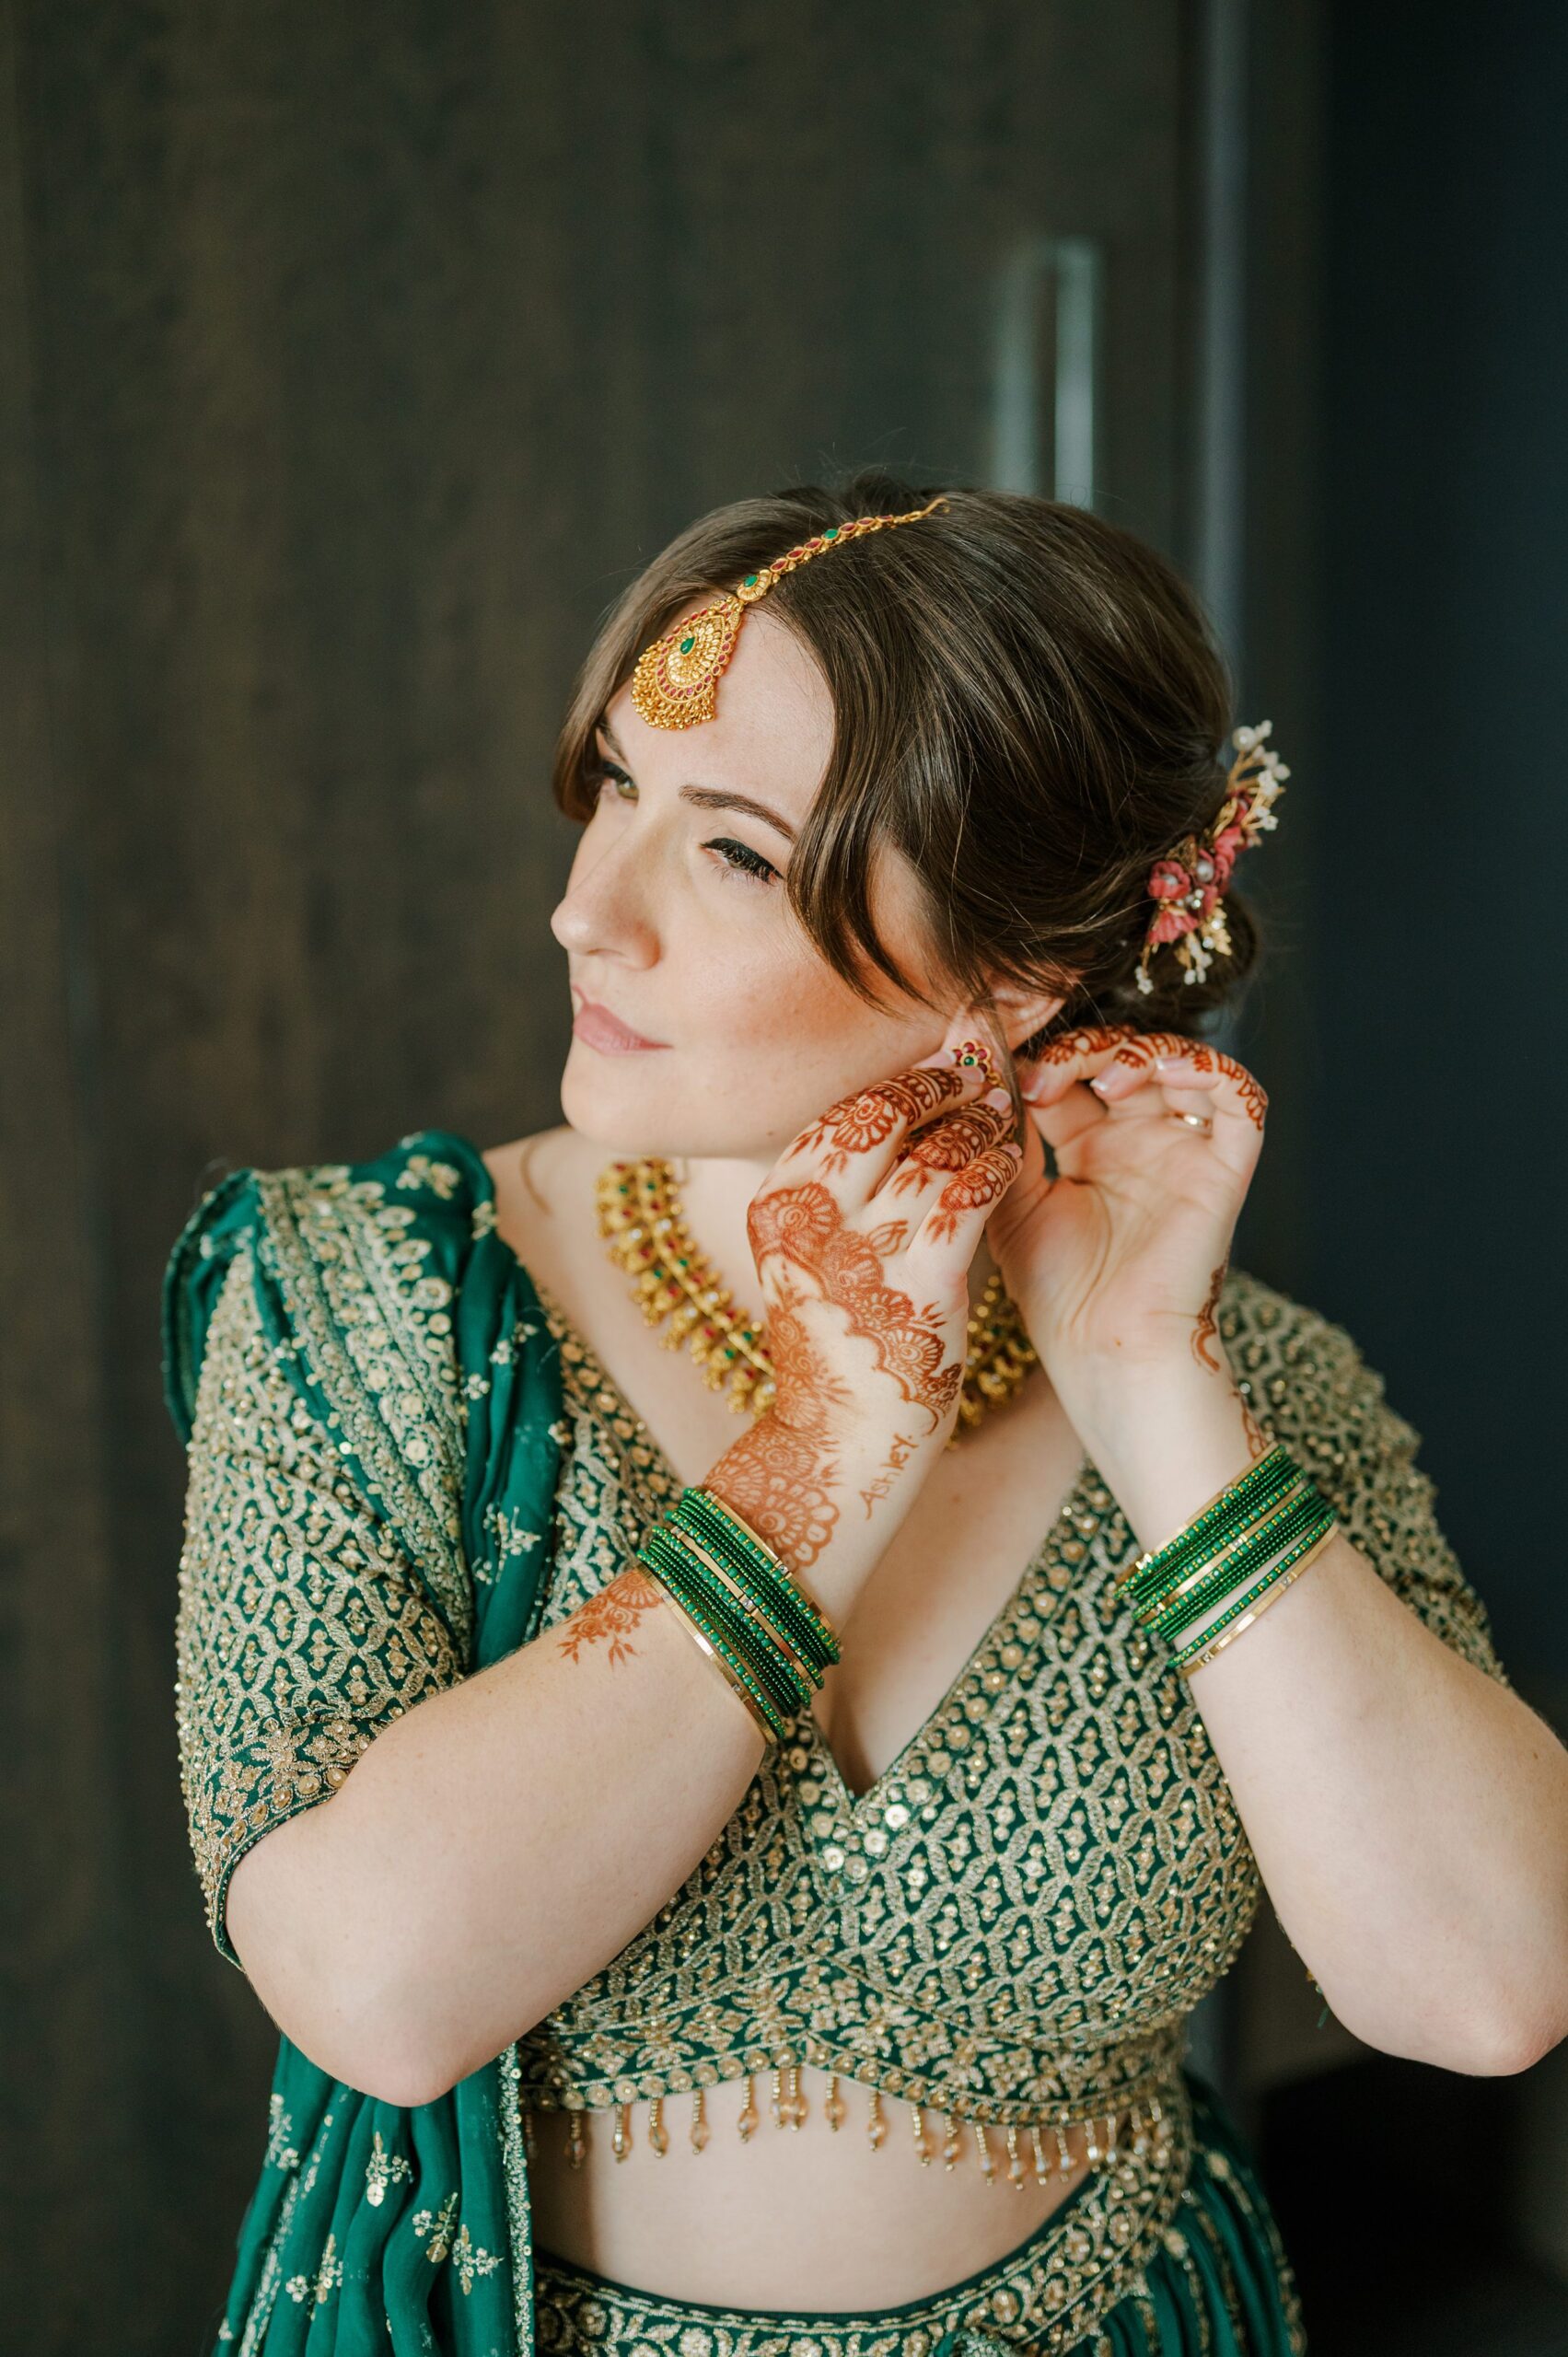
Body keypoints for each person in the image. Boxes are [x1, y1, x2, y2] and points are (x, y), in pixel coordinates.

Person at [161, 473, 1568, 2356]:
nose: (587, 907)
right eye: (615, 791)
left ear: (1013, 970)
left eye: (731, 850)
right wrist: (826, 1441)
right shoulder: (363, 1301)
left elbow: (1483, 1986)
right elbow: (374, 1982)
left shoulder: (1252, 1383)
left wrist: (1148, 1381)